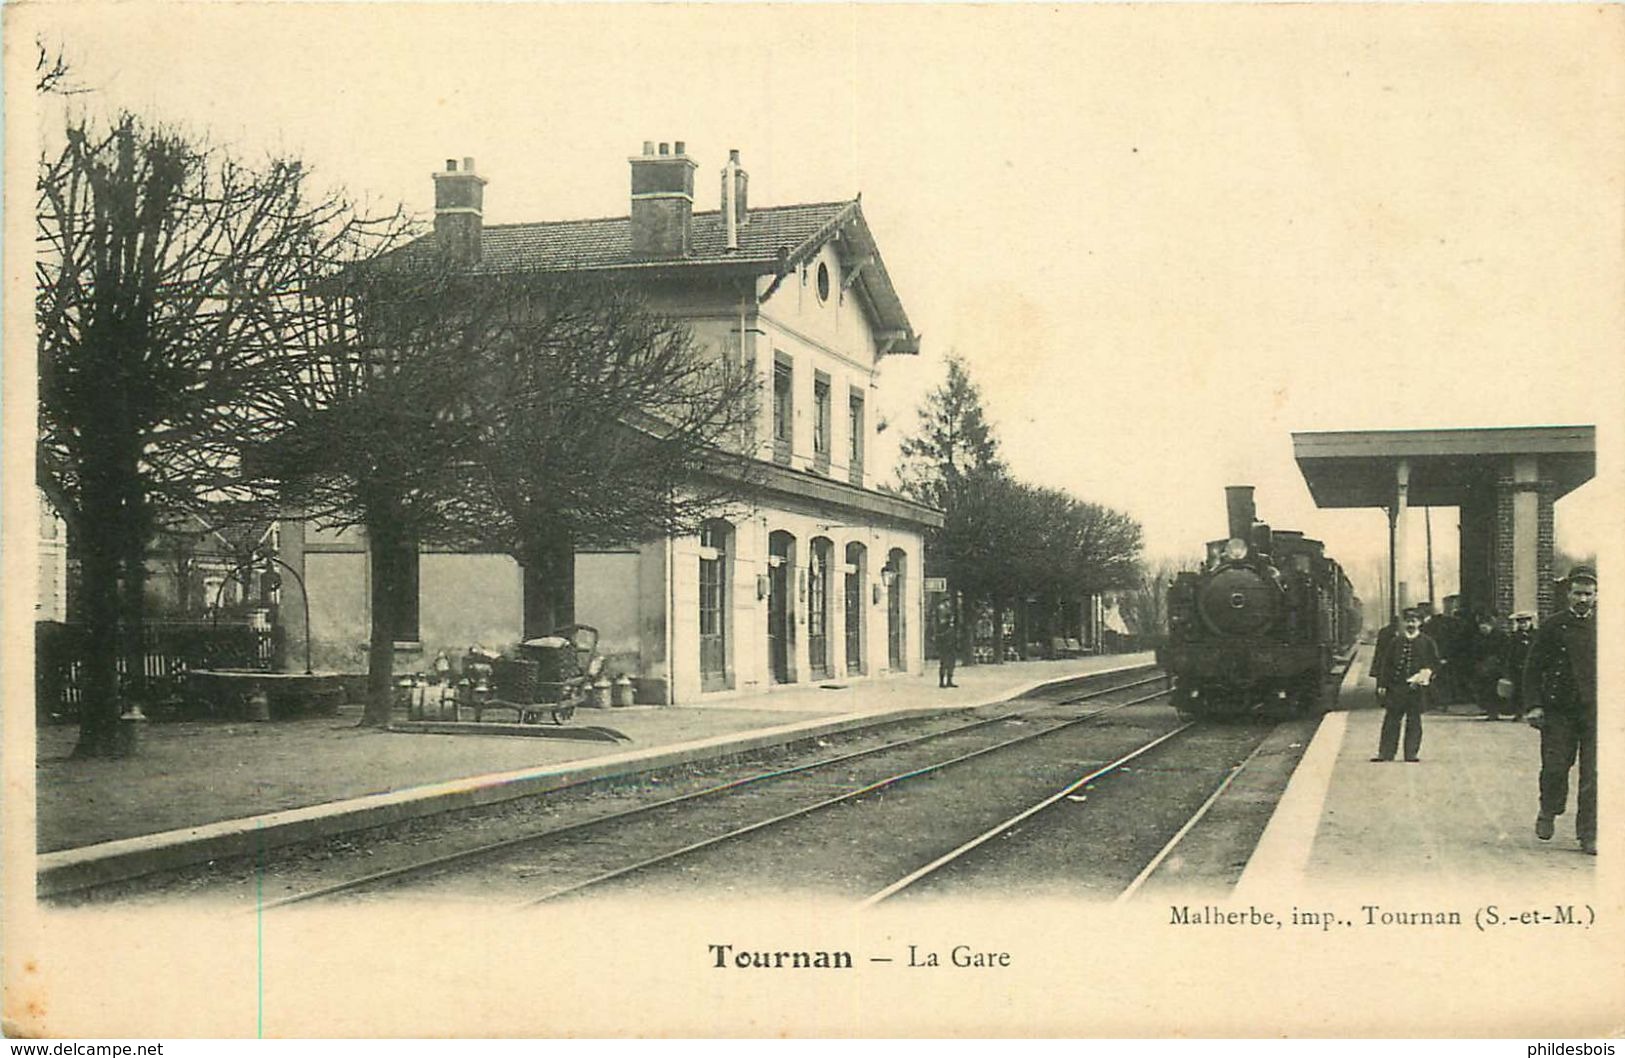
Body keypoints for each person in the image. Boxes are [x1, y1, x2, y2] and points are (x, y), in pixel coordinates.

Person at [1523, 566, 1597, 855]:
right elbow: (1533, 668)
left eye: (1588, 594)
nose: (1583, 599)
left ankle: (1589, 834)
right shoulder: (1553, 626)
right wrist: (1533, 705)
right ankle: (1549, 809)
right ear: (1568, 594)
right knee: (1555, 768)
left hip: (1595, 711)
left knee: (1595, 774)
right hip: (1559, 710)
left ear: (1596, 595)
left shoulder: (1608, 626)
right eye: (1578, 593)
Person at [1372, 607, 1440, 763]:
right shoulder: (1396, 641)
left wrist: (1426, 674)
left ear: (1420, 623)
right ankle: (1386, 753)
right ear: (1403, 623)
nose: (1411, 624)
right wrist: (1382, 684)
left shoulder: (1427, 642)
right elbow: (1386, 664)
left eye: (1414, 621)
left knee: (1414, 721)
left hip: (1416, 689)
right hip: (1396, 688)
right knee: (1391, 720)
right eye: (1408, 621)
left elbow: (1435, 663)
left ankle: (1411, 754)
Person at [1468, 613, 1509, 720]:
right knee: (1484, 690)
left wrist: (1499, 663)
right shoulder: (1477, 637)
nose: (1483, 629)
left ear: (1491, 626)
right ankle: (1490, 711)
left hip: (1496, 668)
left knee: (1496, 690)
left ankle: (1496, 711)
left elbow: (1505, 652)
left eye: (1485, 626)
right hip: (1482, 668)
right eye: (1481, 626)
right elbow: (1474, 652)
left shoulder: (1501, 636)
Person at [1501, 611, 1536, 721]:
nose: (1524, 624)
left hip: (1533, 667)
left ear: (1530, 622)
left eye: (1526, 622)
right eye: (1521, 622)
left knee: (1532, 690)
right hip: (1518, 668)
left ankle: (1532, 712)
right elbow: (1510, 654)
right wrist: (1508, 668)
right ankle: (1519, 713)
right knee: (1518, 691)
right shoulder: (1514, 637)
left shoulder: (1537, 635)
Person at [935, 608, 959, 689]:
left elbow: (954, 637)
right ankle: (941, 682)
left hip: (952, 648)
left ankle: (949, 681)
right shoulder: (943, 627)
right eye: (950, 618)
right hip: (944, 648)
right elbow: (939, 636)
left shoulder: (952, 627)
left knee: (951, 665)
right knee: (944, 664)